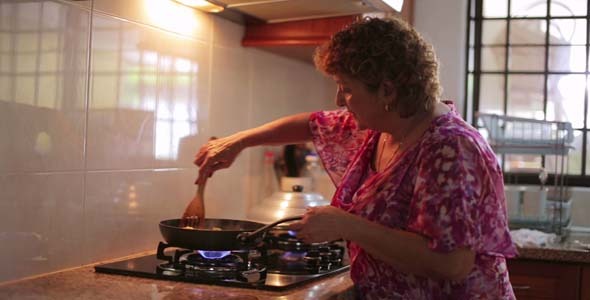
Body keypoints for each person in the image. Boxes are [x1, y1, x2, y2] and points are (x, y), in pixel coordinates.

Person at [193, 17, 517, 299]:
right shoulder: (383, 126)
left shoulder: (451, 149)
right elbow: (310, 122)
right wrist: (236, 142)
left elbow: (451, 263)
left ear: (387, 91)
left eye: (346, 88)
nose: (339, 100)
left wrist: (346, 225)